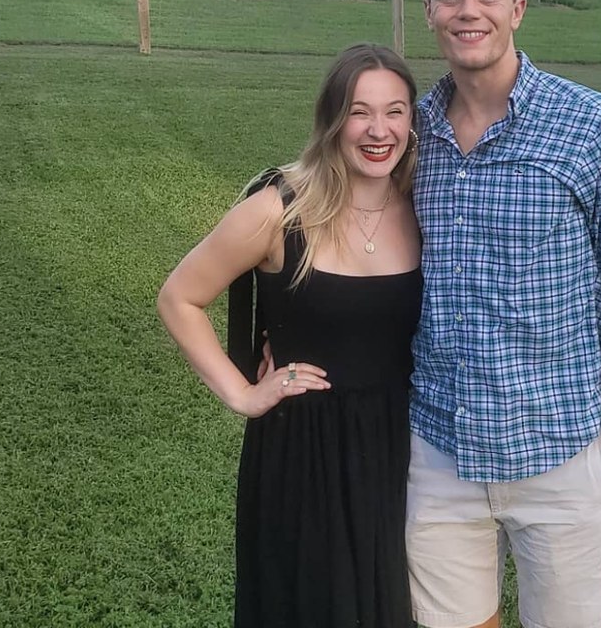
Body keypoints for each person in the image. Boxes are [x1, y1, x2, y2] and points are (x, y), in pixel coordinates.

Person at [406, 0, 601, 628]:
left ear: (517, 8)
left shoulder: (596, 126)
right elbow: (345, 225)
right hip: (437, 448)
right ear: (427, 10)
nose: (470, 11)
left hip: (560, 448)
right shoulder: (409, 134)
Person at [158, 43, 422, 628]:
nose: (379, 130)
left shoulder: (425, 203)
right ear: (332, 120)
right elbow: (180, 296)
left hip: (398, 447)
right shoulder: (279, 210)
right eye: (360, 111)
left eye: (396, 111)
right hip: (304, 455)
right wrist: (242, 393)